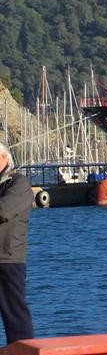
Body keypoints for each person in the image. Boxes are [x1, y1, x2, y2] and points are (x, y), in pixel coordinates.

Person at [0, 142, 34, 344]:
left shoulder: (19, 183)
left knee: (15, 314)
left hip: (8, 259)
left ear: (5, 157)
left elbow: (4, 211)